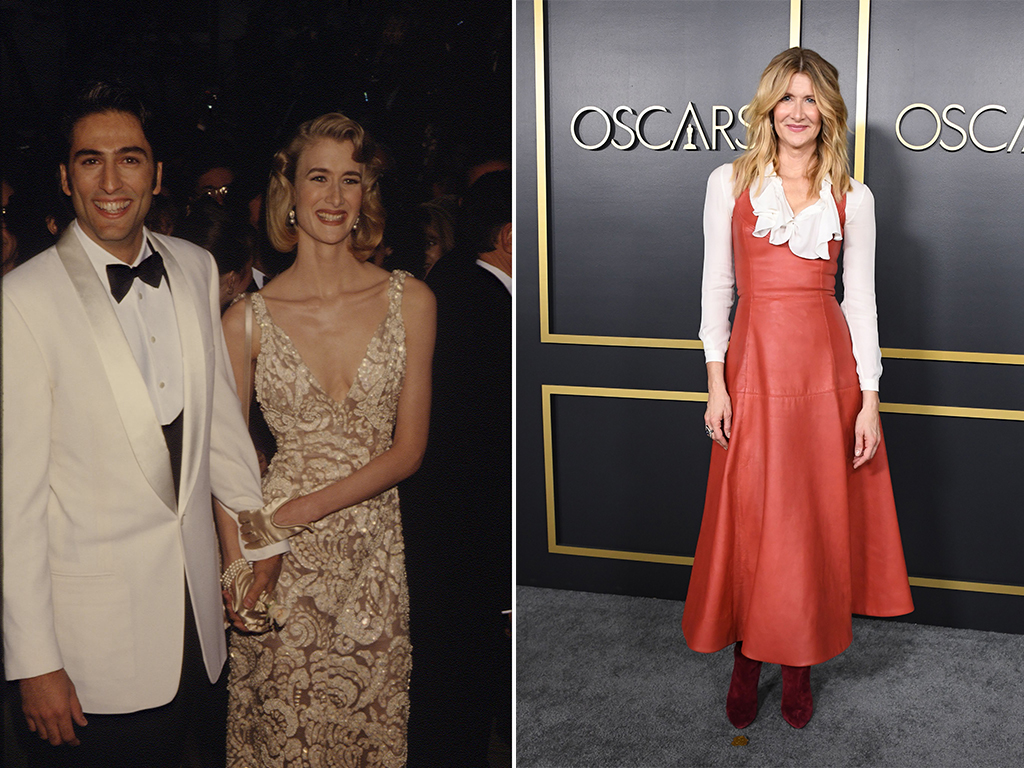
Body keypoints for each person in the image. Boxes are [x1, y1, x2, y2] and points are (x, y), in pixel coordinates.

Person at [1, 80, 285, 768]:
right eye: (89, 160)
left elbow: (219, 424)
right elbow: (15, 506)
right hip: (87, 649)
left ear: (156, 175)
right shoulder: (21, 301)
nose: (110, 179)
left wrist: (255, 537)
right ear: (65, 177)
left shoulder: (192, 266)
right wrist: (34, 660)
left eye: (128, 158)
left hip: (195, 624)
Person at [681, 48, 914, 730]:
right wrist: (716, 384)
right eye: (787, 98)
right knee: (754, 517)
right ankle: (749, 658)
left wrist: (868, 398)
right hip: (753, 371)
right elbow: (716, 290)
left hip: (824, 374)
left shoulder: (854, 195)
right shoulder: (727, 183)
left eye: (812, 100)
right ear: (769, 107)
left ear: (828, 111)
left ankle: (801, 664)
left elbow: (862, 302)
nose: (799, 112)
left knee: (809, 519)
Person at [219, 112, 435, 767]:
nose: (336, 197)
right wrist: (240, 569)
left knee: (364, 733)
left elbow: (409, 451)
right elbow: (223, 461)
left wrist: (291, 513)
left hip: (371, 560)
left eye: (352, 180)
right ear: (290, 189)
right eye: (320, 178)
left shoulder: (412, 300)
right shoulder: (245, 320)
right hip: (275, 562)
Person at [401, 168, 512, 764]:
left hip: (451, 548)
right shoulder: (480, 307)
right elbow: (484, 450)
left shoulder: (459, 287)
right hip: (464, 548)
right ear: (512, 237)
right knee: (455, 706)